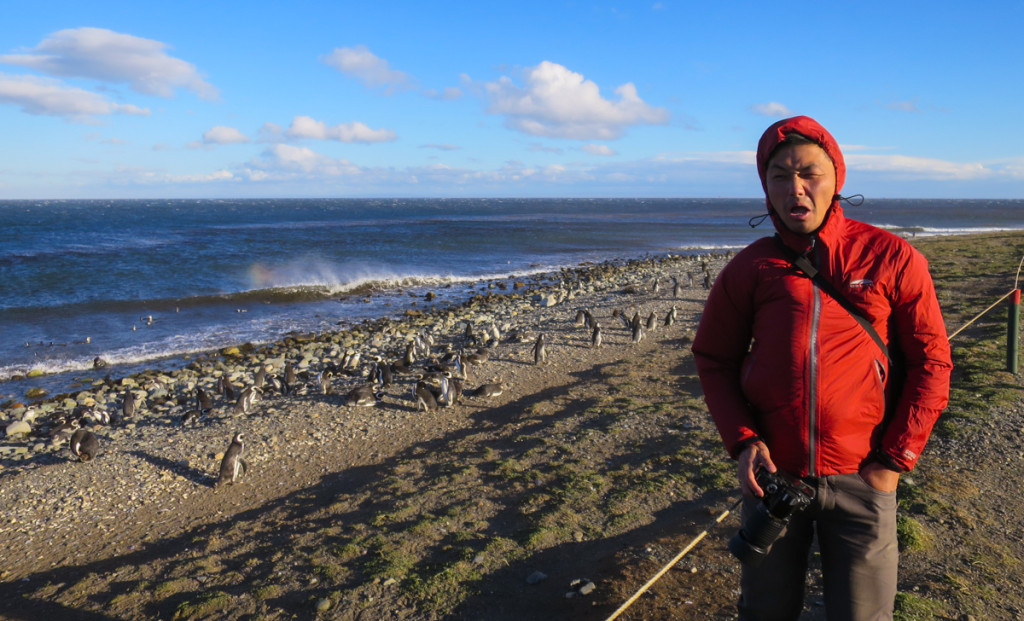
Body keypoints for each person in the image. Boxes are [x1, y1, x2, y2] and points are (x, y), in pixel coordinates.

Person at [691, 116, 953, 621]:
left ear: (837, 177)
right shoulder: (751, 267)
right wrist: (743, 442)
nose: (796, 188)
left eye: (809, 172)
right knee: (765, 612)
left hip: (864, 476)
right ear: (765, 185)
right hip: (774, 480)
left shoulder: (891, 256)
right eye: (780, 175)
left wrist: (895, 460)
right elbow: (714, 358)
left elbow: (932, 361)